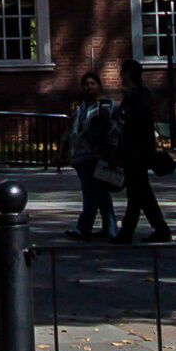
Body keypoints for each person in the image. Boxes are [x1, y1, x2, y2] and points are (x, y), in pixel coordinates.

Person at [115, 69, 172, 242]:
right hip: (134, 152)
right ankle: (133, 231)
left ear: (129, 75)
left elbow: (139, 125)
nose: (121, 77)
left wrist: (122, 121)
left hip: (137, 153)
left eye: (123, 74)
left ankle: (137, 231)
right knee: (138, 194)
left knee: (139, 193)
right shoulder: (134, 95)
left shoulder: (139, 97)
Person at [66, 73, 118, 241]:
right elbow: (72, 130)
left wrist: (112, 153)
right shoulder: (79, 108)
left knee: (90, 193)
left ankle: (83, 228)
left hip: (96, 156)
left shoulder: (106, 107)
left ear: (99, 86)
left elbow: (112, 131)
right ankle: (110, 228)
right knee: (101, 194)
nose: (89, 87)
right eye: (86, 84)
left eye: (92, 83)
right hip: (80, 156)